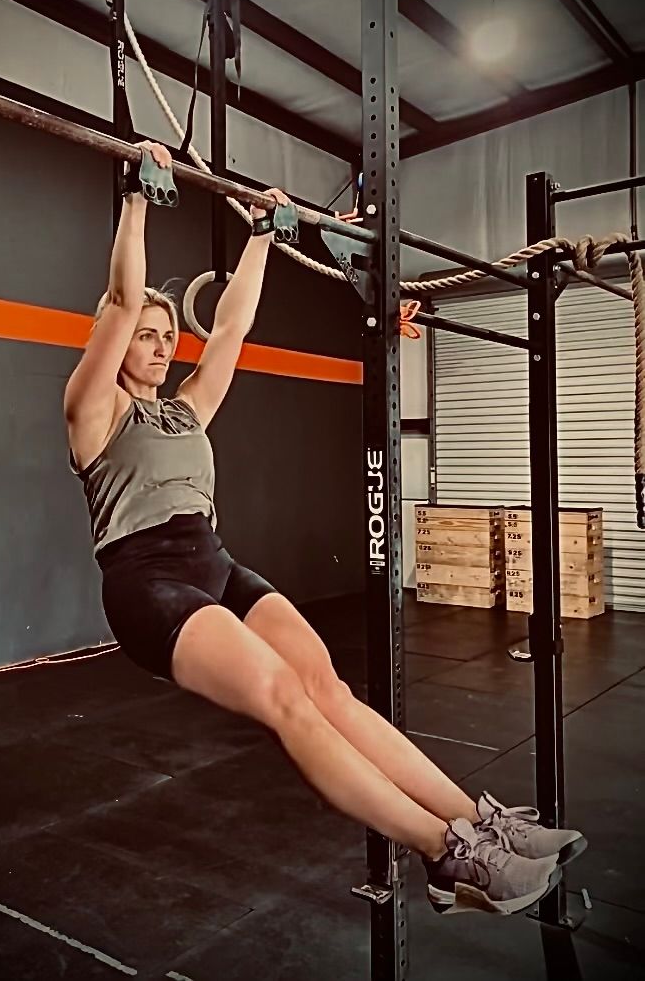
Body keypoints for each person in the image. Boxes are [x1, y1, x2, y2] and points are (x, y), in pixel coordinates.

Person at [64, 140, 586, 916]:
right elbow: (116, 300)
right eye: (147, 333)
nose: (162, 341)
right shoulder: (93, 411)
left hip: (213, 563)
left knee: (331, 690)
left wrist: (263, 236)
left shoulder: (184, 409)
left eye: (167, 332)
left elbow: (232, 331)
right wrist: (138, 196)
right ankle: (448, 856)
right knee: (286, 698)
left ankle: (483, 822)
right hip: (150, 585)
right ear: (117, 344)